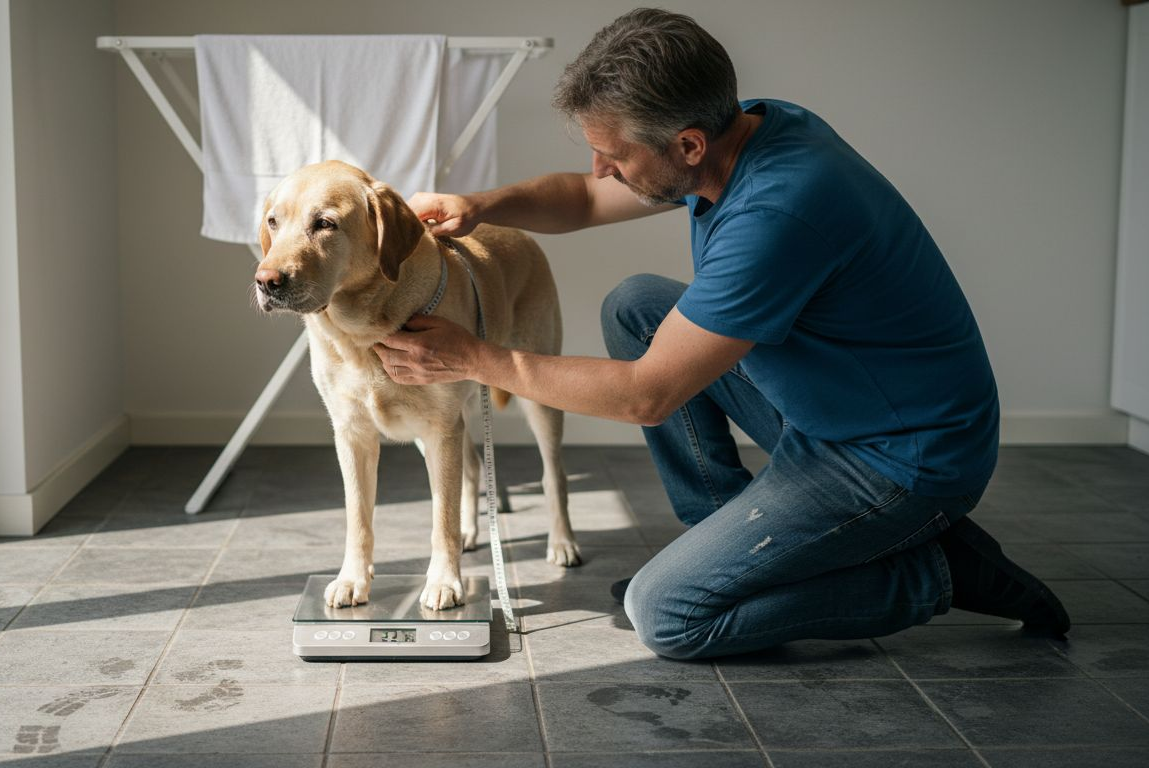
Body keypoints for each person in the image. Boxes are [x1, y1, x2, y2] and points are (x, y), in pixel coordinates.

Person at [372, 7, 1069, 659]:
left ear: (687, 145)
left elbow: (648, 395)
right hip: (840, 400)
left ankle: (932, 574)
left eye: (612, 154)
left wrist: (475, 358)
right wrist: (477, 205)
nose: (600, 170)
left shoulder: (778, 213)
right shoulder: (745, 128)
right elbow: (583, 199)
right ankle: (731, 543)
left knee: (669, 615)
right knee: (637, 307)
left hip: (898, 457)